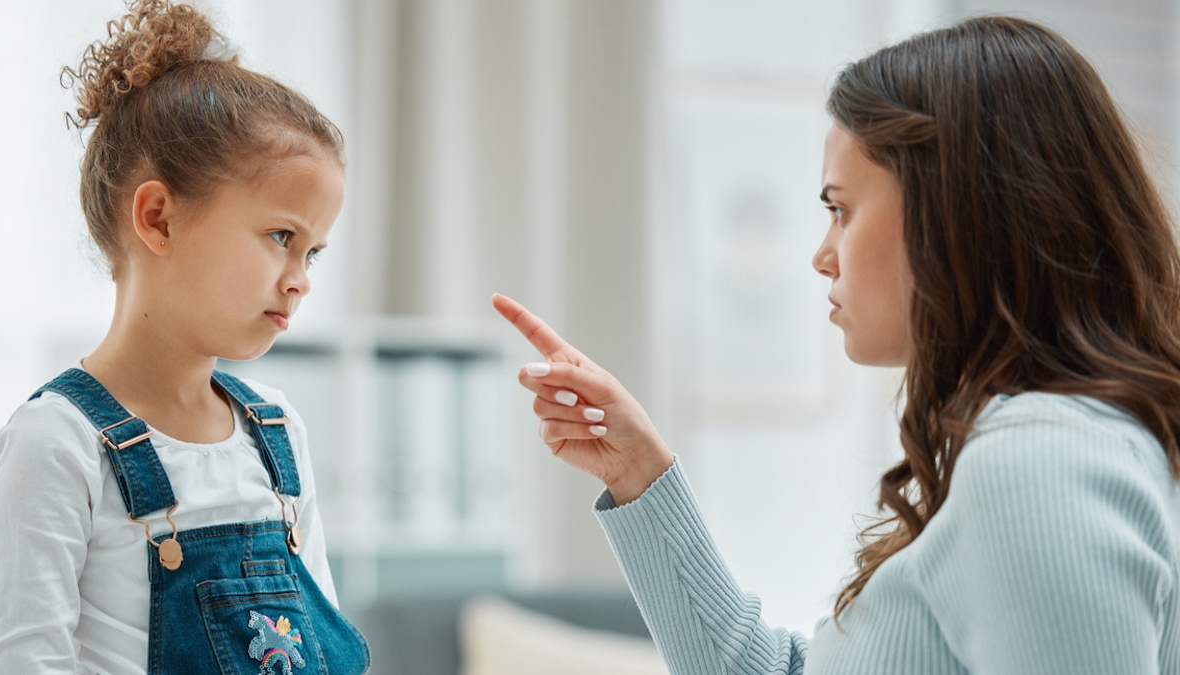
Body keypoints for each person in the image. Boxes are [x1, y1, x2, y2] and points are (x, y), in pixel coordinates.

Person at [493, 15, 1180, 675]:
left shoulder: (1037, 463)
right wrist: (639, 470)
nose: (823, 255)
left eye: (841, 209)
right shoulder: (1037, 445)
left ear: (952, 211)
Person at [0, 1, 369, 673]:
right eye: (282, 237)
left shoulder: (277, 432)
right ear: (158, 219)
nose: (301, 278)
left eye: (313, 252)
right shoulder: (56, 444)